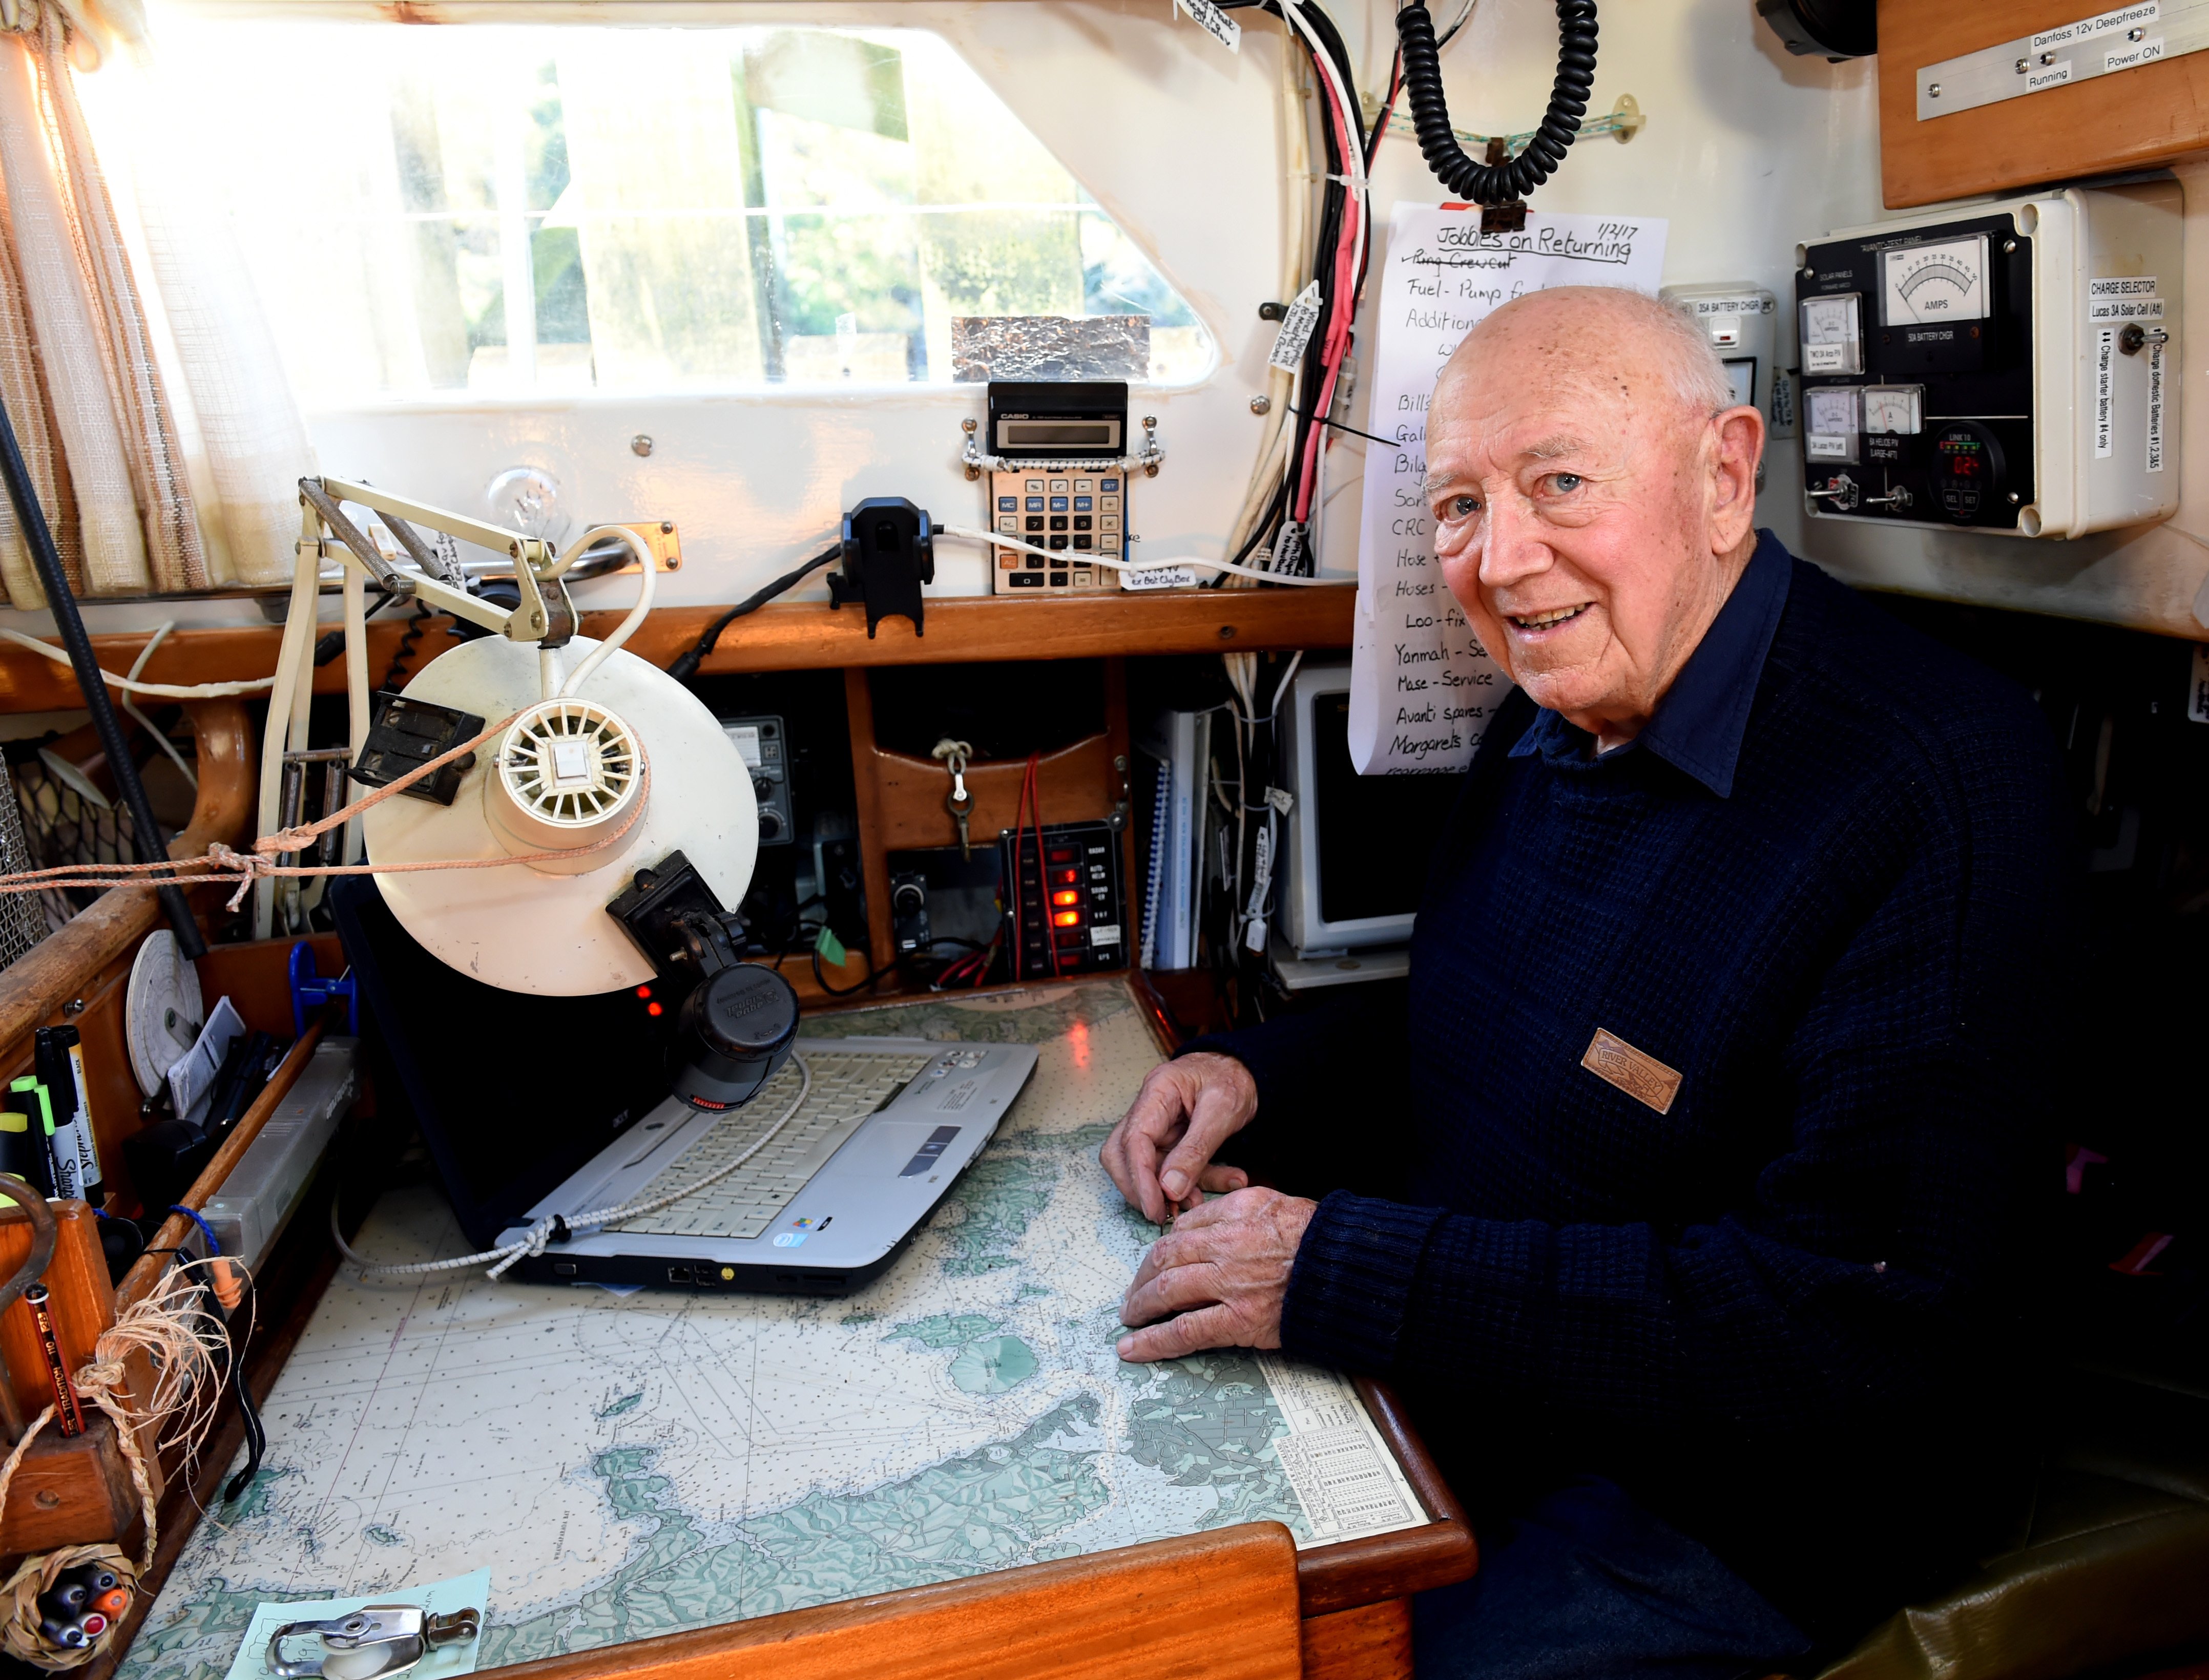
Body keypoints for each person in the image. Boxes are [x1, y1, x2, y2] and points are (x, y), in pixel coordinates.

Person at [1099, 287, 2070, 1678]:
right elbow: (1493, 1031)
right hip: (1507, 1387)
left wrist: (1340, 1271)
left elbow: (1859, 1336)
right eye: (1456, 508)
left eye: (1559, 482)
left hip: (1751, 1505)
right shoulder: (1556, 712)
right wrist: (1262, 1077)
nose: (1501, 560)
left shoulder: (1938, 785)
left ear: (1725, 476)